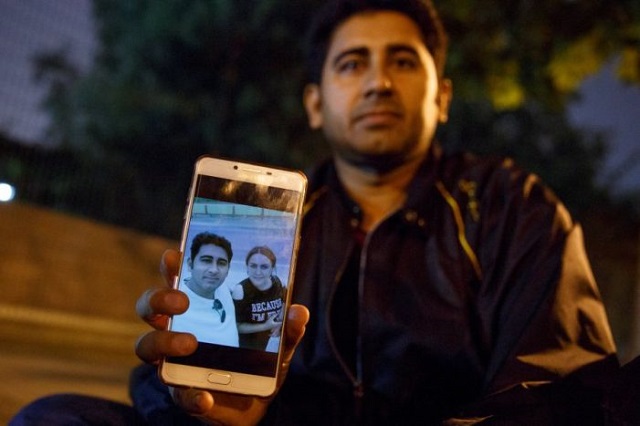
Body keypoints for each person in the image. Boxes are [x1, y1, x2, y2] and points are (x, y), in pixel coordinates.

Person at [9, 0, 639, 425]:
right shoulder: (276, 216)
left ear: (441, 96)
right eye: (351, 63)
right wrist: (196, 401)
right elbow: (167, 392)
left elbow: (564, 386)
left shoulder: (511, 206)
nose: (377, 83)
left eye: (401, 61)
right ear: (315, 104)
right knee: (55, 415)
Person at [170, 231, 238, 347]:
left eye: (221, 263)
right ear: (190, 264)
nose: (214, 270)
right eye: (206, 260)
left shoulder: (222, 288)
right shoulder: (176, 306)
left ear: (227, 270)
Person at [232, 246, 287, 352]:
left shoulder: (278, 283)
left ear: (272, 268)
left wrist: (279, 321)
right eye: (253, 266)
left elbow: (284, 299)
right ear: (247, 267)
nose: (258, 272)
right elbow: (236, 327)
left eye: (264, 267)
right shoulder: (240, 290)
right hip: (245, 346)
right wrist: (265, 326)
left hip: (266, 344)